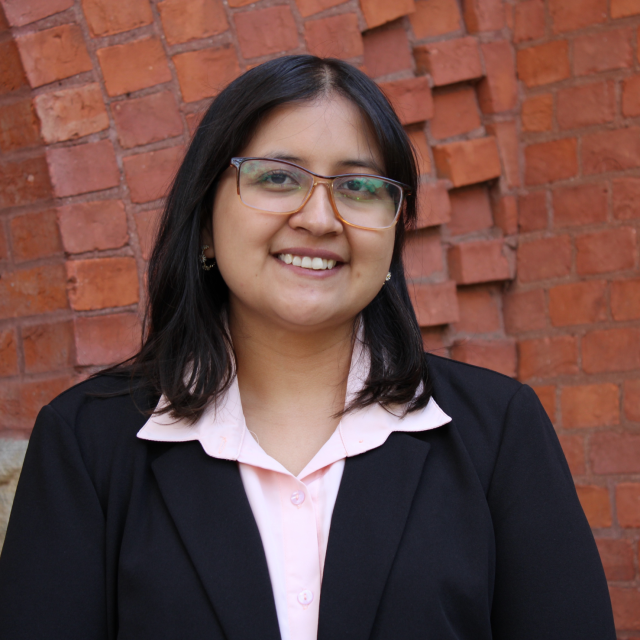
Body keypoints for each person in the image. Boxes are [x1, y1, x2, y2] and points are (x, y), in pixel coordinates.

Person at [0, 55, 615, 640]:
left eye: (358, 187)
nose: (320, 219)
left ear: (393, 238)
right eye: (277, 177)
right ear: (205, 223)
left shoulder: (497, 433)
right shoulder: (88, 441)